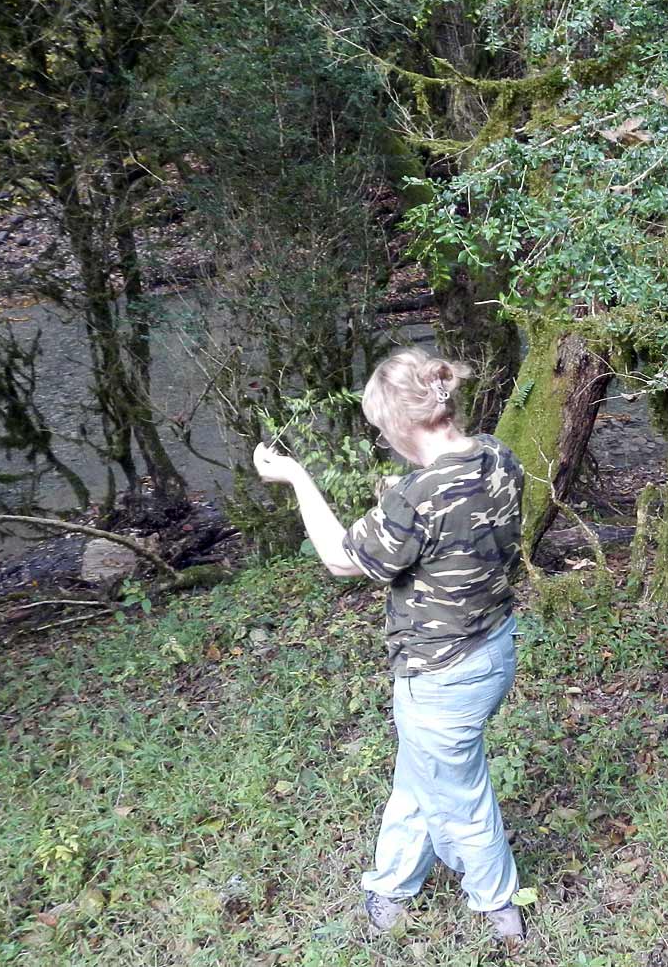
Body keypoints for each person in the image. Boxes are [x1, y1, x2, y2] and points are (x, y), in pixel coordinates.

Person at [252, 347, 527, 946]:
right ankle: (393, 884)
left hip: (440, 672)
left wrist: (297, 477)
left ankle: (499, 906)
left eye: (380, 429)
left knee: (461, 798)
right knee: (421, 773)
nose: (383, 439)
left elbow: (339, 559)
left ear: (401, 424)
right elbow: (457, 527)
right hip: (495, 648)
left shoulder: (415, 496)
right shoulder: (498, 455)